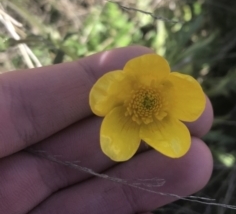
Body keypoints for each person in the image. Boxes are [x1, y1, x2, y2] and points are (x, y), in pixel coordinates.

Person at [0, 46, 213, 214]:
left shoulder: (183, 95)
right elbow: (105, 112)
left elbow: (177, 141)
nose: (147, 103)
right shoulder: (119, 87)